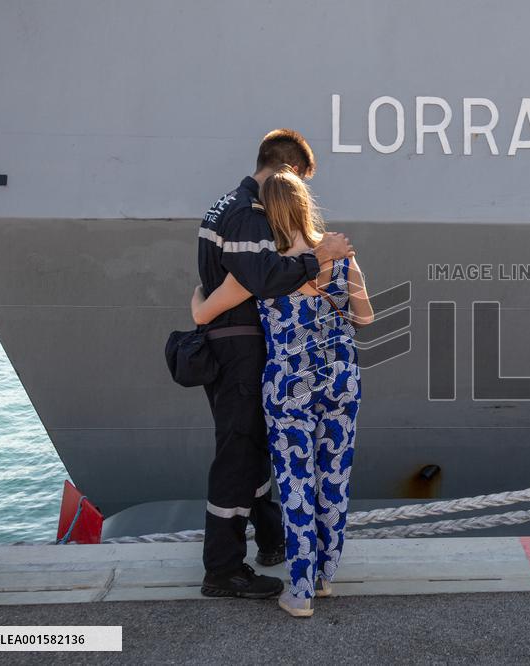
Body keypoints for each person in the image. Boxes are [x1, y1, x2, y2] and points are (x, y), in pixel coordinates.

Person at [192, 168, 373, 618]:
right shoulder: (341, 257)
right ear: (305, 205)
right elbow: (366, 317)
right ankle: (326, 576)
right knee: (333, 478)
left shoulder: (266, 270)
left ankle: (301, 591)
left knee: (295, 484)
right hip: (340, 378)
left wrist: (199, 293)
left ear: (268, 213)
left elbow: (203, 312)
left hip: (290, 384)